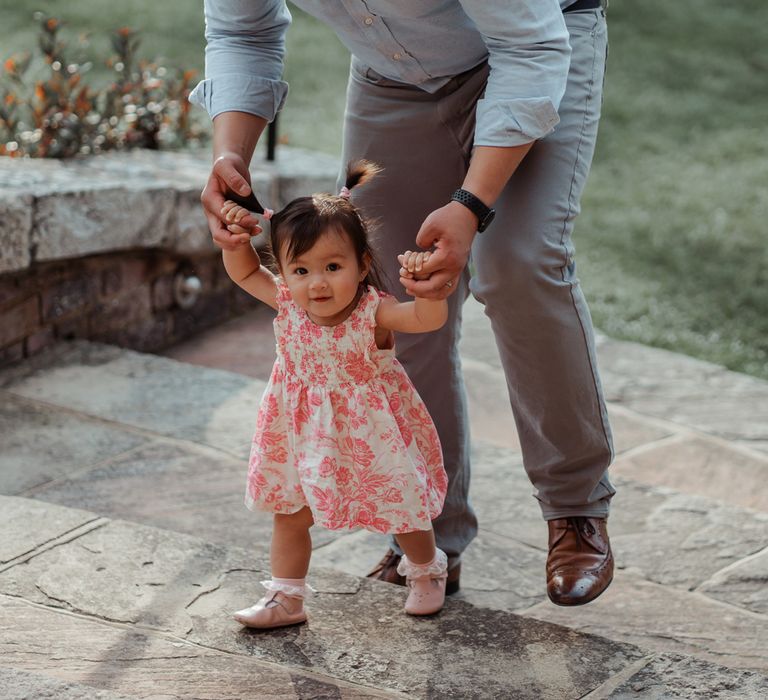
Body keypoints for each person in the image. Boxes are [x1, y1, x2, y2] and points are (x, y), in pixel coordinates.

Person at [193, 0, 615, 607]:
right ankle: (430, 537)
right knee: (383, 301)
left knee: (519, 265)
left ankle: (576, 507)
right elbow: (241, 28)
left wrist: (472, 203)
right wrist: (229, 153)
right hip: (390, 76)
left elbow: (529, 48)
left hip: (530, 48)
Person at [222, 161, 451, 628]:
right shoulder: (286, 301)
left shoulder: (374, 312)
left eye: (332, 266)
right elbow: (245, 274)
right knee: (289, 511)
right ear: (283, 272)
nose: (317, 282)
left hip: (371, 433)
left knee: (401, 507)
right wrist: (234, 241)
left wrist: (430, 291)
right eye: (301, 269)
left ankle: (426, 571)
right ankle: (286, 598)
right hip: (298, 429)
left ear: (362, 264)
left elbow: (426, 321)